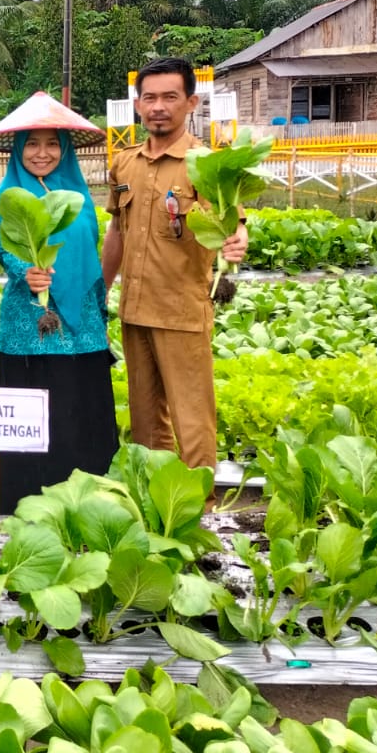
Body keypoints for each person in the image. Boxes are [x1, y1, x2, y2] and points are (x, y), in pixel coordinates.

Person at [103, 57, 248, 470]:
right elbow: (117, 231)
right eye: (149, 98)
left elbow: (235, 226)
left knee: (191, 415)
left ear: (191, 102)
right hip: (135, 310)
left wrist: (236, 245)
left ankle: (200, 504)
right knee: (146, 417)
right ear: (137, 104)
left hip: (181, 310)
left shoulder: (207, 165)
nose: (159, 107)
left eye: (170, 97)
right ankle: (157, 496)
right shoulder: (125, 162)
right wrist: (102, 287)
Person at [0, 93, 120, 512]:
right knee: (33, 407)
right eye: (32, 145)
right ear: (19, 151)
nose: (43, 154)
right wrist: (27, 271)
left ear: (66, 149)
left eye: (52, 144)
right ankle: (27, 499)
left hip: (82, 326)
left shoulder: (80, 197)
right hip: (31, 319)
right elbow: (5, 250)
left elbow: (92, 260)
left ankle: (86, 501)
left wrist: (99, 308)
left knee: (78, 404)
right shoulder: (5, 197)